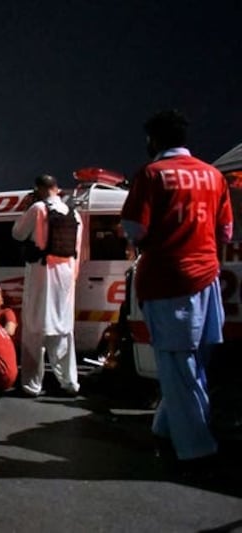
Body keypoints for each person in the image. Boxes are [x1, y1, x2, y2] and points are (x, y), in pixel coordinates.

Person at [120, 110, 233, 470]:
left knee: (178, 366)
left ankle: (197, 448)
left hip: (168, 281)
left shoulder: (152, 175)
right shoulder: (214, 176)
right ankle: (163, 430)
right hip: (208, 279)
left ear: (153, 140)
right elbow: (227, 233)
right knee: (194, 364)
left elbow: (134, 228)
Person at [11, 174, 82, 397]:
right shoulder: (75, 214)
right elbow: (78, 252)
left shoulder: (38, 209)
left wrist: (27, 206)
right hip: (66, 280)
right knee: (63, 333)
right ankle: (69, 383)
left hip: (43, 277)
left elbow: (18, 233)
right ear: (57, 188)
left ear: (40, 189)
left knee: (34, 332)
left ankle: (32, 385)